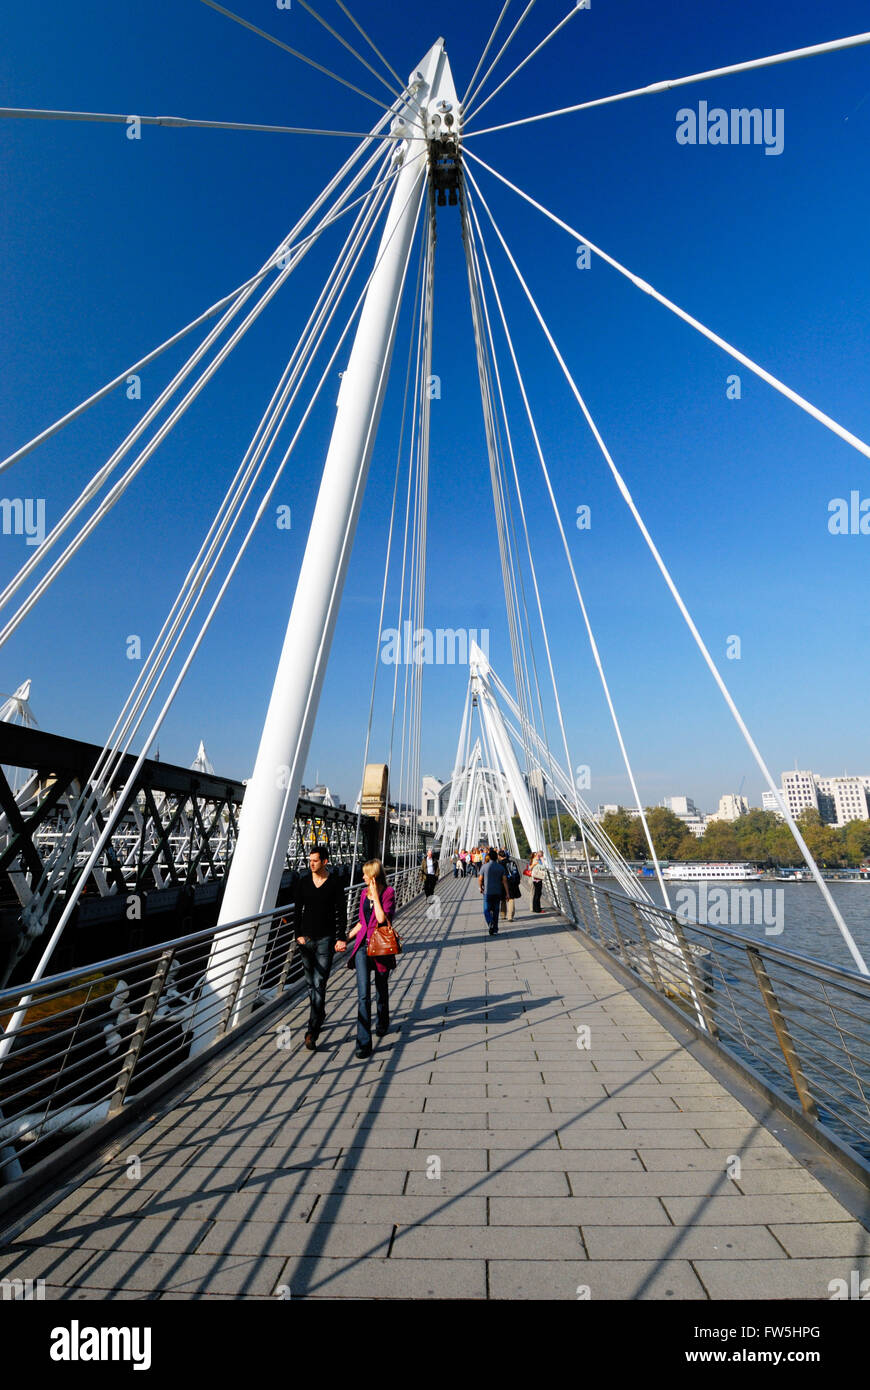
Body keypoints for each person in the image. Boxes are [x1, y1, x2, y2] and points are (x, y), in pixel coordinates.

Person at [294, 845, 347, 1051]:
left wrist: (341, 937)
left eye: (315, 860)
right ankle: (320, 1012)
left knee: (319, 981)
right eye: (310, 860)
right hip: (305, 940)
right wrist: (297, 935)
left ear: (325, 861)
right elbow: (298, 910)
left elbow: (341, 912)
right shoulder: (303, 882)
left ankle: (312, 1030)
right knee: (310, 983)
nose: (311, 863)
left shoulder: (334, 883)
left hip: (326, 939)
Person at [346, 859, 396, 1059]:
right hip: (362, 948)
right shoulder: (362, 893)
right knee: (363, 995)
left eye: (366, 874)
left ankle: (382, 1021)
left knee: (381, 989)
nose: (362, 877)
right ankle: (364, 1042)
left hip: (381, 947)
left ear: (373, 877)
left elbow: (382, 918)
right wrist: (345, 937)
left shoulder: (388, 893)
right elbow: (362, 922)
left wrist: (375, 895)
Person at [479, 846, 508, 936]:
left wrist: (481, 888)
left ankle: (490, 922)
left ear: (489, 857)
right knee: (496, 910)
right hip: (497, 892)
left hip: (487, 892)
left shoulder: (484, 867)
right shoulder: (501, 868)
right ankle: (495, 928)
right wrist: (507, 893)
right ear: (496, 857)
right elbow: (504, 881)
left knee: (486, 910)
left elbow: (480, 879)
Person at [498, 848, 522, 922]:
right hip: (512, 883)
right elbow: (517, 873)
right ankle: (510, 916)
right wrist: (517, 882)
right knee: (511, 899)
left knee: (503, 899)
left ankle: (503, 914)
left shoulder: (499, 864)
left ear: (499, 856)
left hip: (502, 883)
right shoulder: (512, 863)